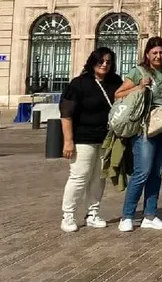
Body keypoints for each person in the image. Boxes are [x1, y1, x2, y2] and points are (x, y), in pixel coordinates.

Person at [59, 48, 123, 232]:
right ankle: (68, 215)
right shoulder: (79, 83)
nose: (104, 64)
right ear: (92, 62)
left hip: (106, 138)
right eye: (100, 61)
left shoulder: (115, 82)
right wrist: (68, 141)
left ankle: (92, 213)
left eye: (108, 61)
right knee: (79, 176)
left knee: (98, 178)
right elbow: (66, 114)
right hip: (83, 138)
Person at [116, 37, 162, 232]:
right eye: (155, 52)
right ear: (147, 54)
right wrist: (139, 86)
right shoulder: (138, 71)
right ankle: (128, 215)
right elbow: (118, 94)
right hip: (145, 129)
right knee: (142, 172)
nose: (158, 56)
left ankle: (150, 214)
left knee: (156, 173)